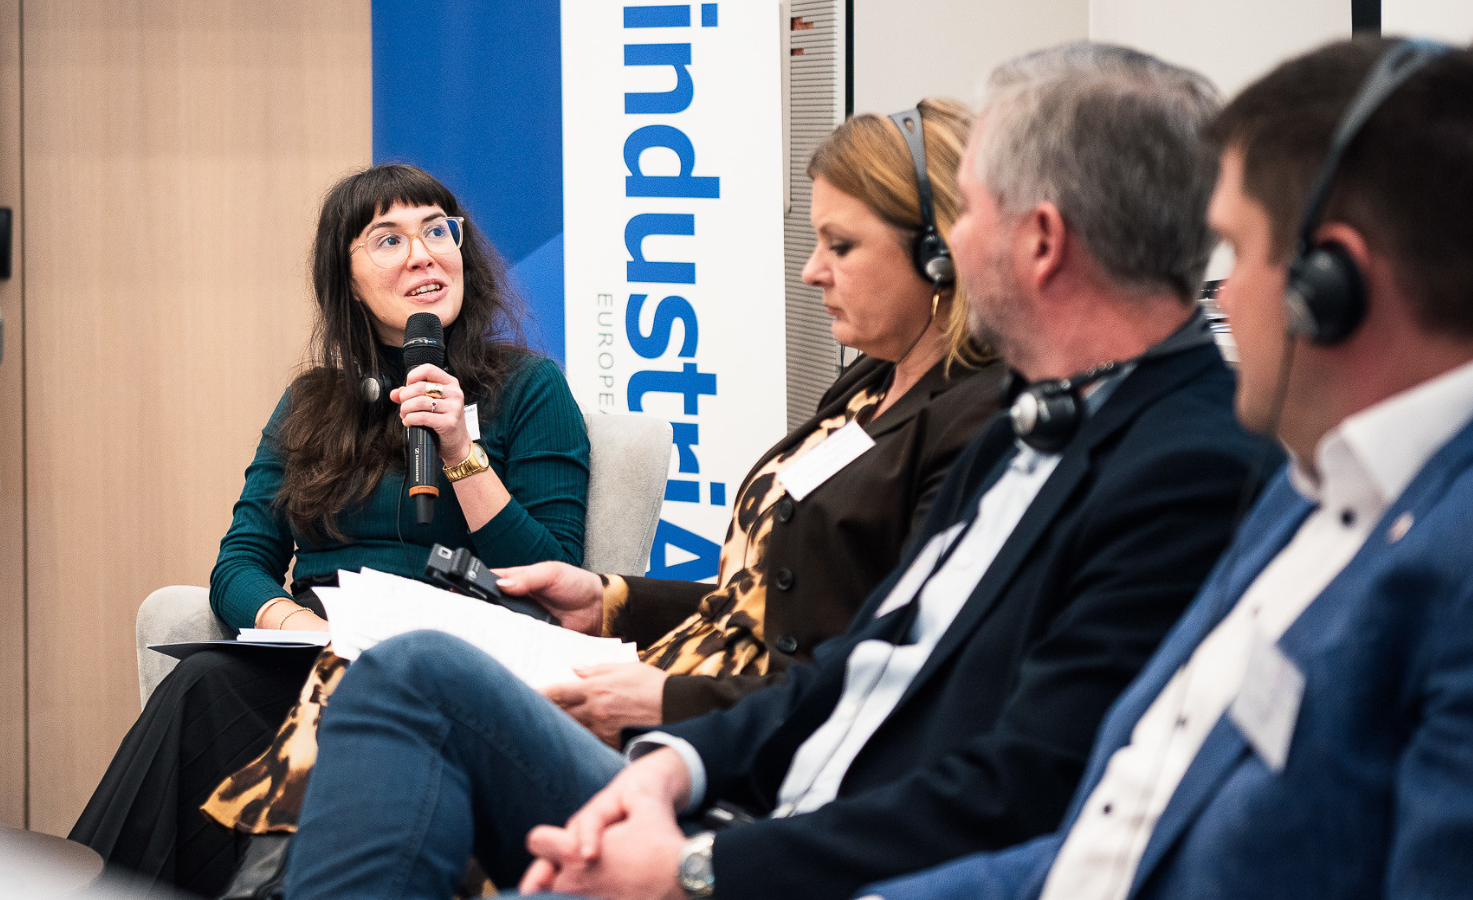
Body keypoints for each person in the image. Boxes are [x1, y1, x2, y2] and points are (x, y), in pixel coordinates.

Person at [281, 45, 1272, 900]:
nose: (814, 269)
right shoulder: (1044, 419)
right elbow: (869, 661)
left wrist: (699, 863)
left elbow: (1018, 785)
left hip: (796, 846)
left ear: (1039, 242)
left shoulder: (1176, 466)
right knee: (401, 677)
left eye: (967, 212)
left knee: (412, 676)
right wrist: (675, 764)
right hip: (753, 788)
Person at [860, 36, 1473, 900]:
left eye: (1238, 251)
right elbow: (1098, 848)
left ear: (1331, 286)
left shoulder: (1447, 567)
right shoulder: (1307, 488)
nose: (1220, 296)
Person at [68, 163, 591, 896]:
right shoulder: (312, 402)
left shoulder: (530, 389)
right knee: (202, 684)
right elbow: (240, 564)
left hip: (452, 663)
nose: (422, 255)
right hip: (318, 647)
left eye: (437, 231)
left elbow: (555, 575)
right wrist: (299, 625)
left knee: (337, 697)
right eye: (388, 239)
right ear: (347, 281)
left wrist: (459, 454)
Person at [498, 97, 1004, 744]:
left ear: (941, 253)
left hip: (727, 749)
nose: (812, 271)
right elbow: (767, 606)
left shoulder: (980, 424)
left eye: (841, 246)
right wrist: (610, 600)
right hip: (676, 707)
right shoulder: (870, 380)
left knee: (422, 676)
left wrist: (666, 702)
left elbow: (882, 681)